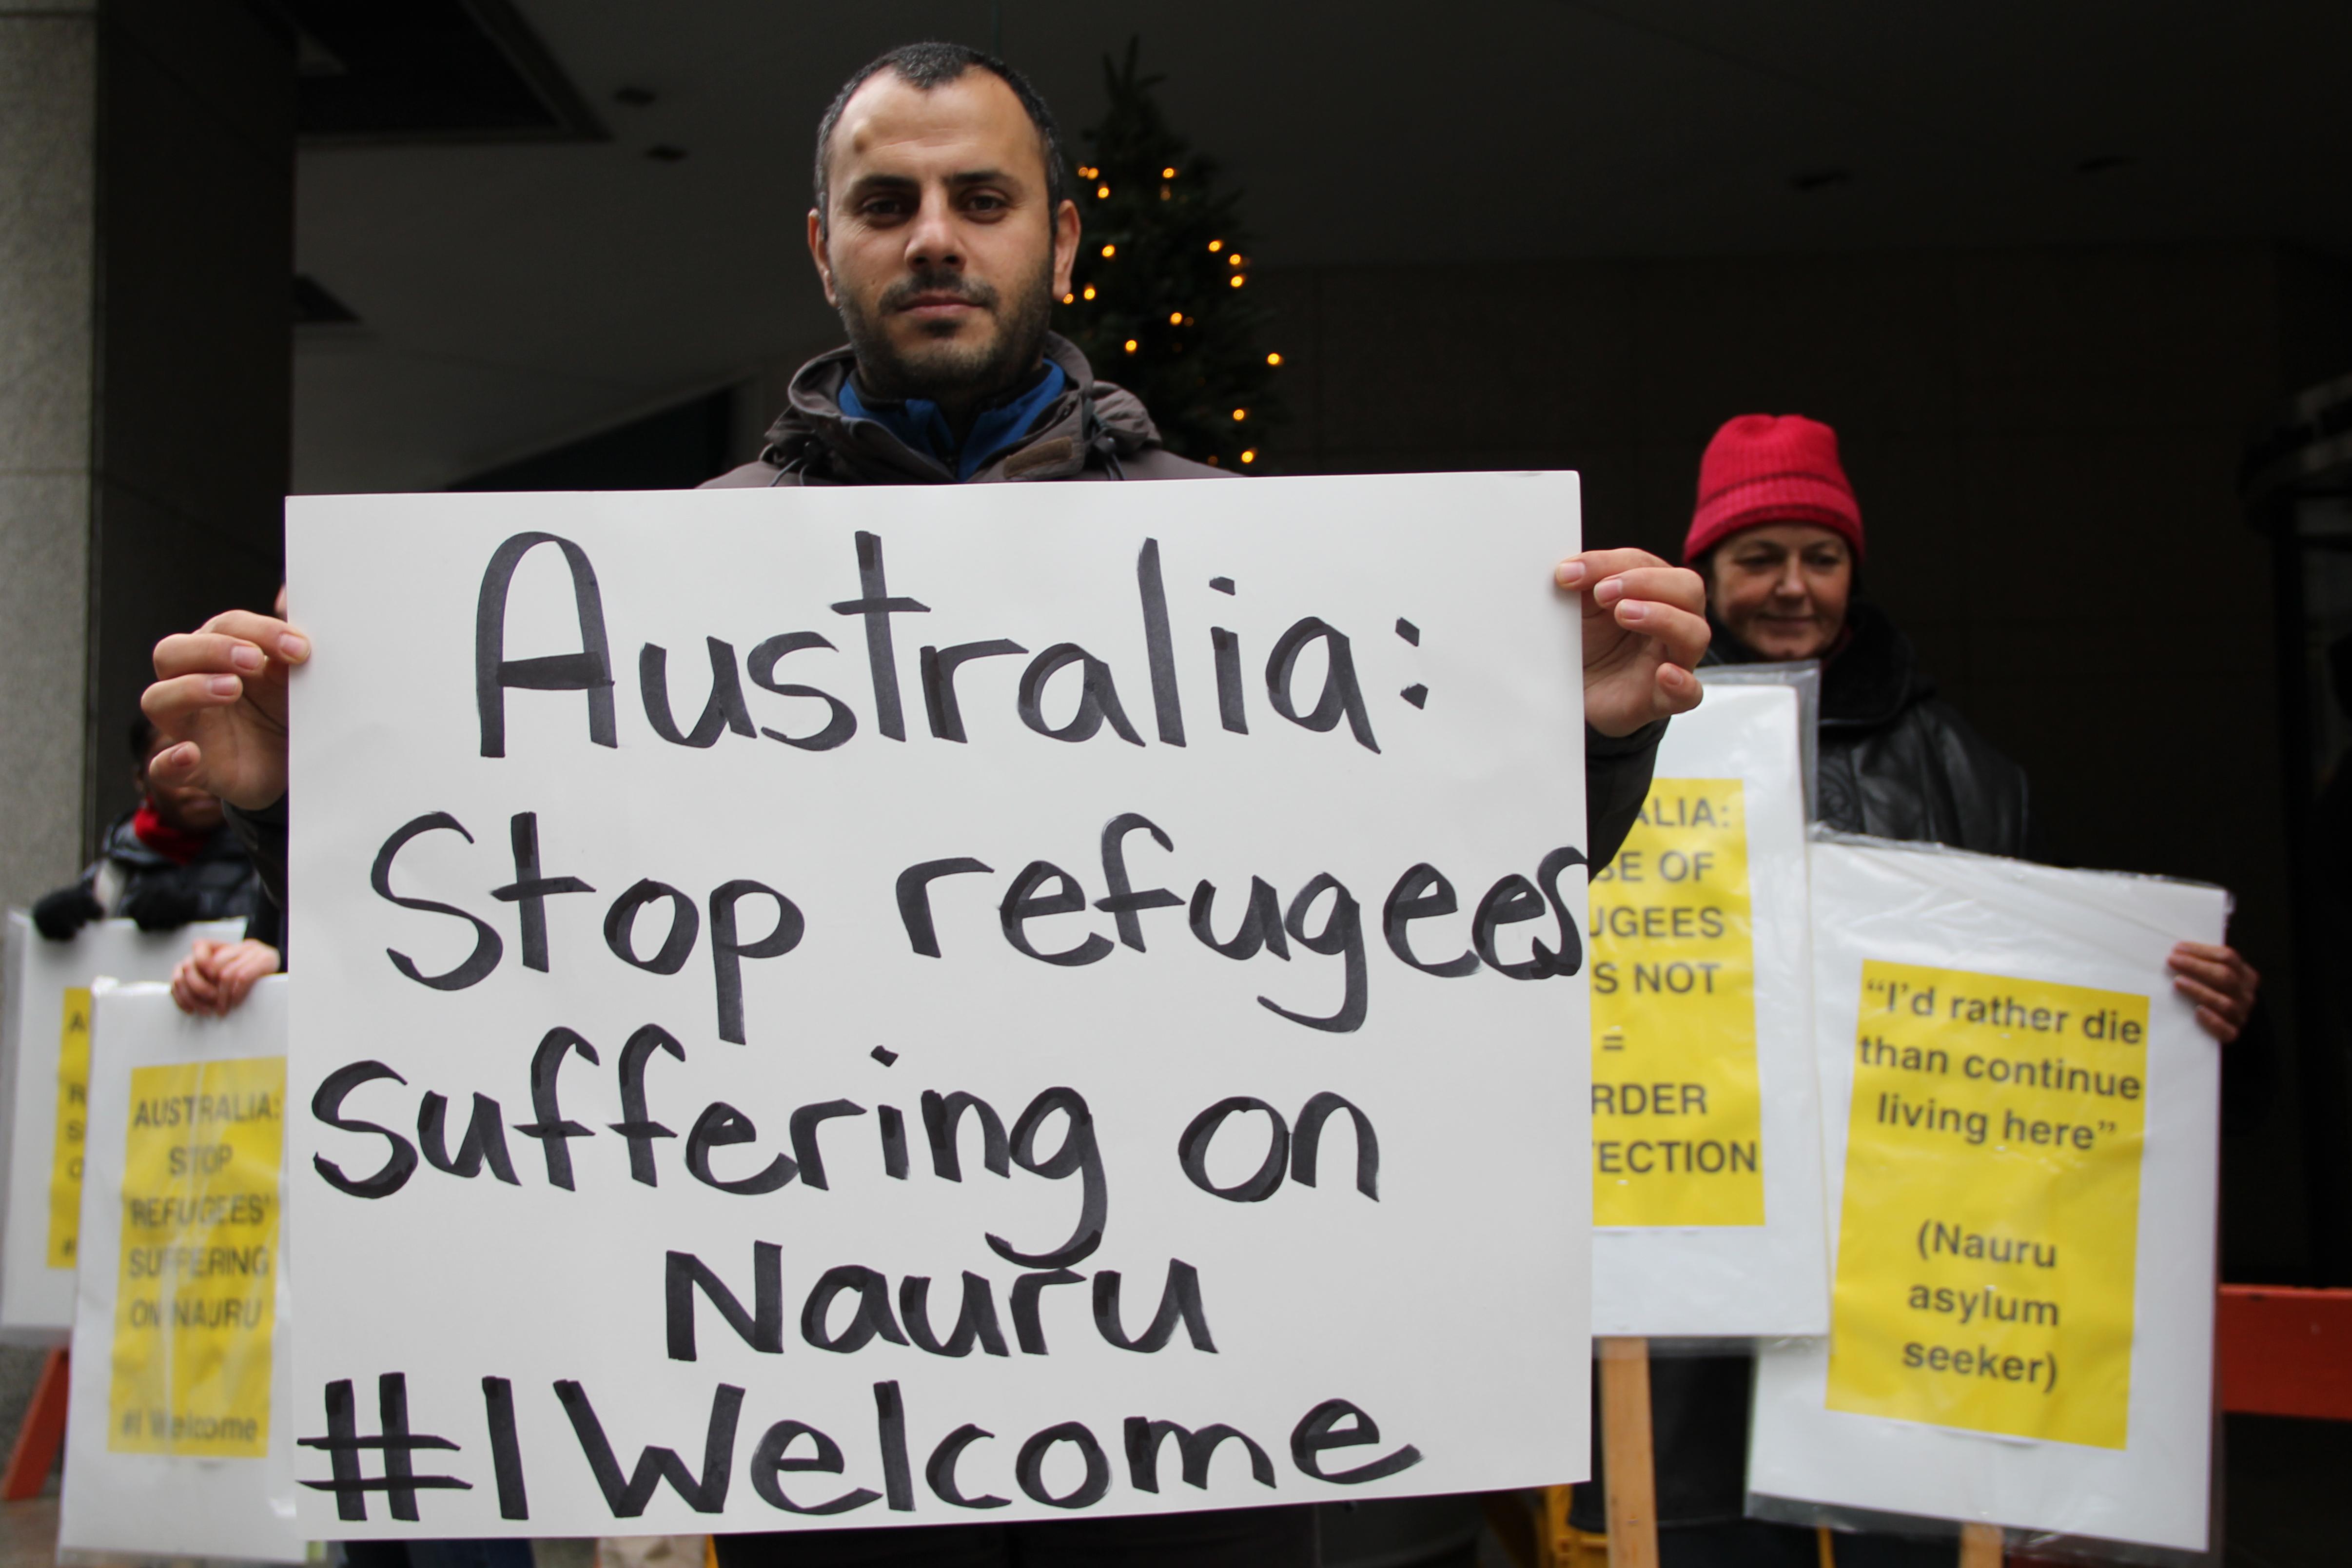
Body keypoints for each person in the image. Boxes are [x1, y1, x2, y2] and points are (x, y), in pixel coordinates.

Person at [140, 40, 1710, 1568]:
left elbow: (1429, 931)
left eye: (983, 196)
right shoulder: (670, 587)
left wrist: (1578, 745)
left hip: (1193, 1442)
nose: (936, 237)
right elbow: (507, 938)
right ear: (824, 248)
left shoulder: (1254, 565)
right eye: (887, 205)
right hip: (824, 1435)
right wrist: (300, 805)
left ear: (1062, 237)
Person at [1570, 412, 2261, 1567]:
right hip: (1691, 1343)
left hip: (1907, 1327)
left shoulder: (1968, 770)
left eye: (1822, 555)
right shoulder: (1618, 756)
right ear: (1708, 571)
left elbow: (2054, 1044)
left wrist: (2207, 1017)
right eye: (1758, 556)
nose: (1794, 586)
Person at [29, 716, 281, 1017]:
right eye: (177, 757)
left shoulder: (272, 857)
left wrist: (202, 910)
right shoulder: (116, 874)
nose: (198, 777)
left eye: (211, 753)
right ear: (141, 777)